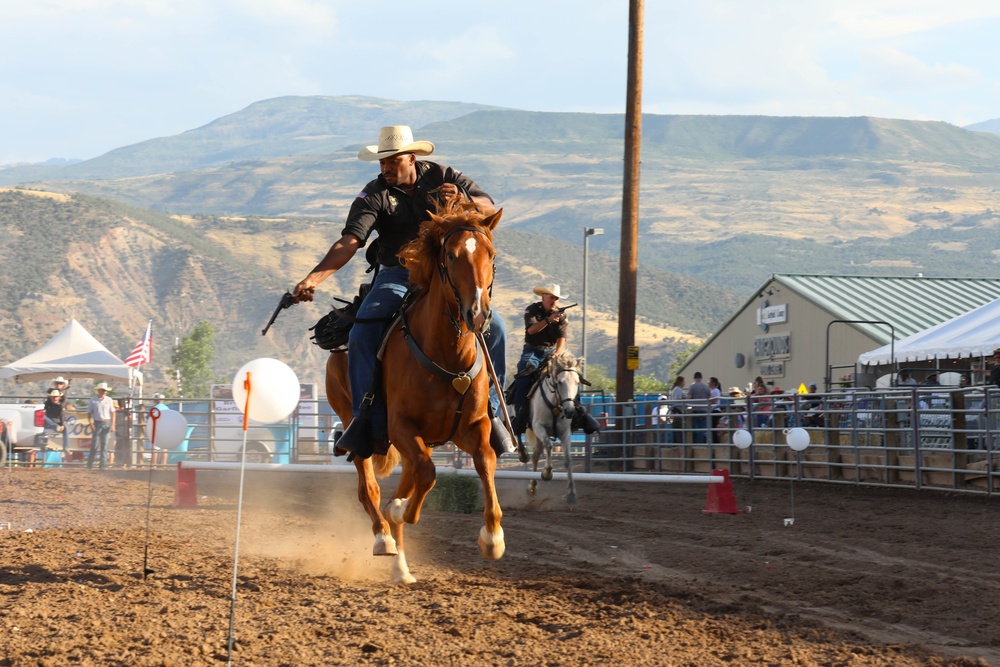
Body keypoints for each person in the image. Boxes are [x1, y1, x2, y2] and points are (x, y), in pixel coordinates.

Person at [291, 125, 509, 460]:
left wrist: (462, 201)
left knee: (498, 330)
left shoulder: (444, 175)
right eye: (382, 161)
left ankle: (491, 413)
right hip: (397, 274)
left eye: (392, 160)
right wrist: (314, 277)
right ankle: (368, 423)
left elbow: (488, 207)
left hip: (444, 273)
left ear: (412, 157)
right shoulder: (374, 194)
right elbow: (350, 241)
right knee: (364, 330)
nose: (386, 167)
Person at [510, 284, 569, 433]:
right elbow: (531, 330)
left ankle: (578, 410)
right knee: (524, 373)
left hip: (552, 351)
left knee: (569, 374)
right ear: (543, 297)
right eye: (551, 297)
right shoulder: (532, 310)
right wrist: (549, 320)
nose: (554, 301)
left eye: (556, 298)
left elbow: (562, 338)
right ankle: (520, 414)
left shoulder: (561, 315)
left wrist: (557, 353)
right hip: (532, 351)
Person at [87, 382, 116, 469]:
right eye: (102, 390)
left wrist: (113, 424)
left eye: (105, 391)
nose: (104, 392)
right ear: (98, 391)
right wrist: (91, 423)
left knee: (104, 444)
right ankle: (90, 464)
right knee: (95, 444)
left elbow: (113, 413)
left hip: (106, 422)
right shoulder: (93, 400)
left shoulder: (109, 400)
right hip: (97, 422)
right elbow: (89, 413)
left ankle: (102, 465)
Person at [42, 388, 69, 454]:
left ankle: (66, 447)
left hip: (57, 422)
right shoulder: (46, 404)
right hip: (49, 422)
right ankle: (55, 426)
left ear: (59, 398)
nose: (55, 398)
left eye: (56, 397)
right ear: (50, 397)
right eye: (53, 397)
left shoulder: (60, 405)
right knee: (43, 416)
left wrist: (62, 425)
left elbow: (61, 414)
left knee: (66, 428)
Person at [687, 372, 711, 443]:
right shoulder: (706, 387)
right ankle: (701, 442)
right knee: (703, 428)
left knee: (694, 428)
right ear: (701, 378)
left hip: (695, 409)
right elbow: (709, 397)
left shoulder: (692, 386)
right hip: (704, 409)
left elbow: (689, 397)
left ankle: (696, 442)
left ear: (695, 378)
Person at [668, 376, 686, 443]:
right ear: (680, 382)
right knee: (678, 427)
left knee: (677, 427)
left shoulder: (677, 389)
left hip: (676, 410)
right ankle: (678, 443)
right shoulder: (678, 390)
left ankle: (677, 442)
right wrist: (682, 411)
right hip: (677, 411)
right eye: (683, 382)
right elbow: (678, 401)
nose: (684, 383)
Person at [708, 377, 723, 443]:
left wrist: (708, 398)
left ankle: (715, 441)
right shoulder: (712, 390)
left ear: (713, 383)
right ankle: (714, 440)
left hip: (715, 410)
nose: (708, 383)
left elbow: (714, 401)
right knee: (712, 426)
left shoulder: (716, 391)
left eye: (710, 381)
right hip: (713, 410)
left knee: (713, 426)